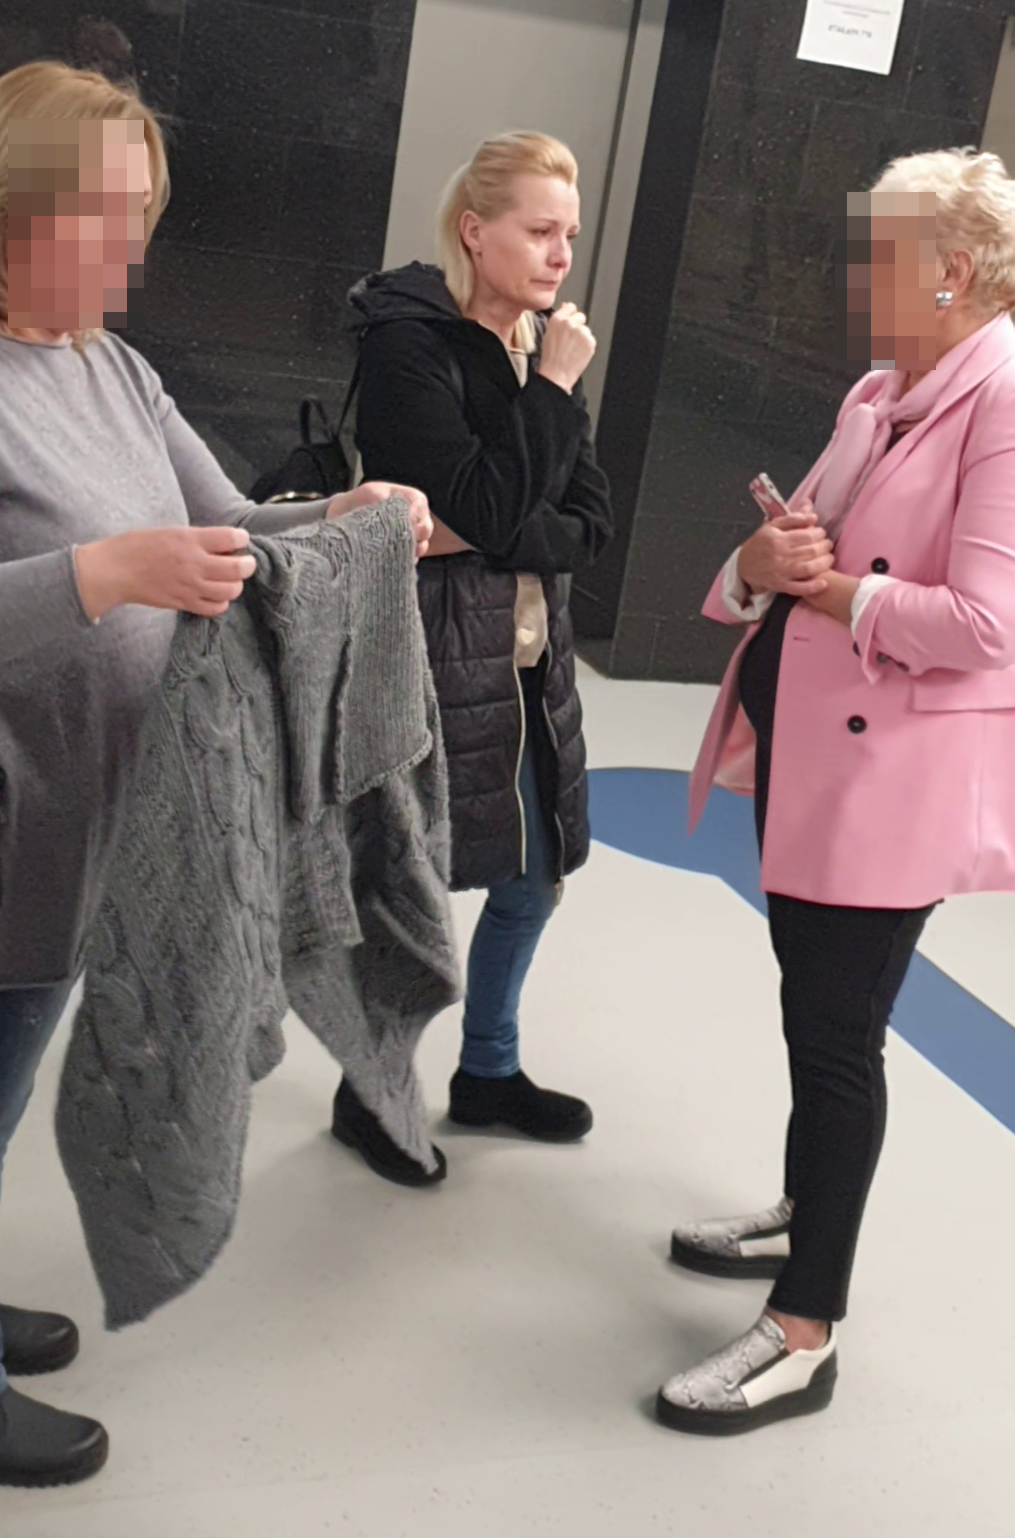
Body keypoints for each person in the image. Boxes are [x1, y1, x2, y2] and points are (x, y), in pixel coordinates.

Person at [0, 60, 432, 1489]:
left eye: (141, 214)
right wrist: (101, 574)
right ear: (8, 208)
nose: (132, 247)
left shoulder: (112, 366)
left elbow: (225, 526)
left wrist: (340, 513)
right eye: (104, 214)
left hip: (92, 817)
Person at [656, 148, 1015, 1435]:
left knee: (837, 1030)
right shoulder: (883, 392)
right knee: (810, 1003)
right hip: (809, 754)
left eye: (879, 253)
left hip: (889, 782)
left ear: (952, 271)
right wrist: (757, 563)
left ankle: (804, 1330)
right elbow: (787, 550)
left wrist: (825, 592)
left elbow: (987, 623)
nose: (854, 273)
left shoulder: (1004, 397)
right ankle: (808, 1209)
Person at [333, 132, 614, 1184]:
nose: (560, 255)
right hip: (429, 653)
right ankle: (368, 1090)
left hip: (529, 654)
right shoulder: (409, 344)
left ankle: (488, 1069)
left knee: (536, 876)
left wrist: (490, 521)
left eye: (569, 235)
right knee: (408, 891)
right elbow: (500, 504)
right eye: (540, 231)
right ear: (474, 231)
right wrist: (551, 393)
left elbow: (589, 523)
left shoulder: (539, 342)